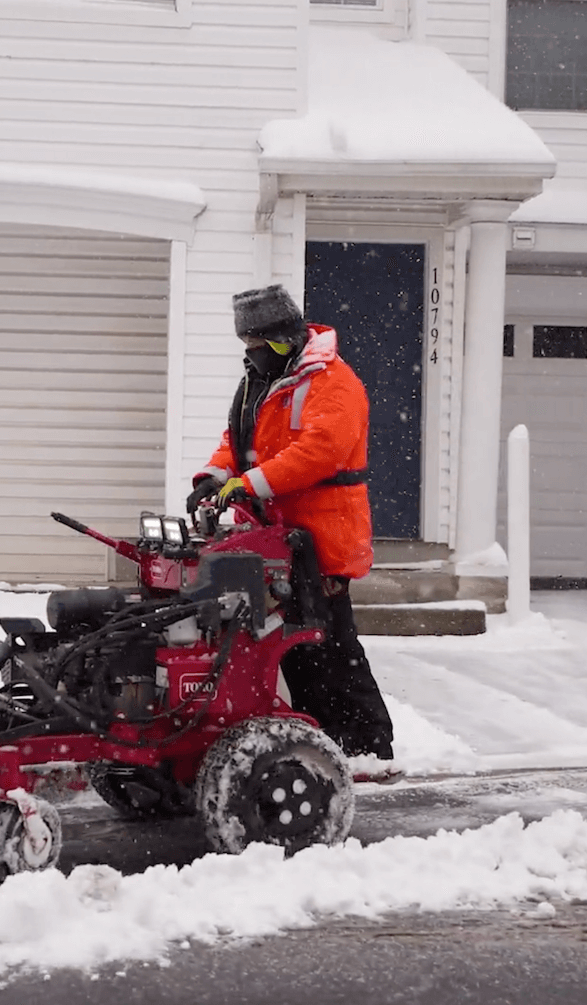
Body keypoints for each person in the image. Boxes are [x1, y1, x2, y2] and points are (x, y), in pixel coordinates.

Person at [187, 284, 396, 761]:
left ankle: (366, 746)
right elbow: (238, 441)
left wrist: (250, 484)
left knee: (331, 646)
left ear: (282, 340)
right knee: (293, 649)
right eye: (248, 347)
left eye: (257, 346)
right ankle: (320, 741)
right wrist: (213, 477)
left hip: (322, 539)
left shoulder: (332, 382)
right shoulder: (260, 383)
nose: (252, 355)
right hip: (274, 541)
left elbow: (319, 451)